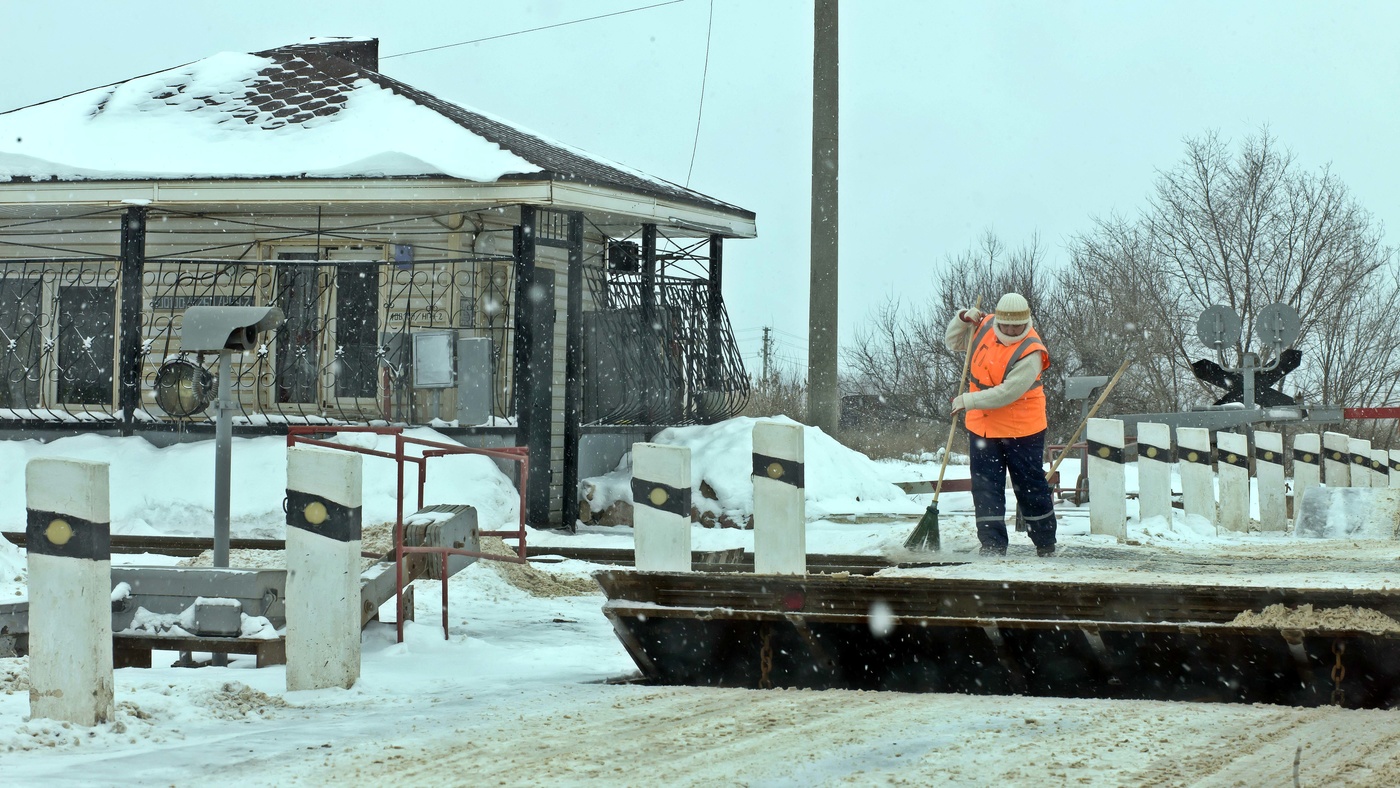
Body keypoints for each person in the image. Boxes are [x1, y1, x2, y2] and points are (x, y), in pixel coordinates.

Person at [945, 292, 1058, 557]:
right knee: (985, 486)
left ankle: (1045, 543)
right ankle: (992, 544)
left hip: (1023, 428)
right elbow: (953, 341)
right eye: (1005, 324)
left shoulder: (1031, 350)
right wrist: (962, 319)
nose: (1010, 330)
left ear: (1026, 321)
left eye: (1016, 326)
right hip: (983, 426)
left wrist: (968, 400)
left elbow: (1007, 393)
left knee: (1030, 485)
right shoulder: (985, 325)